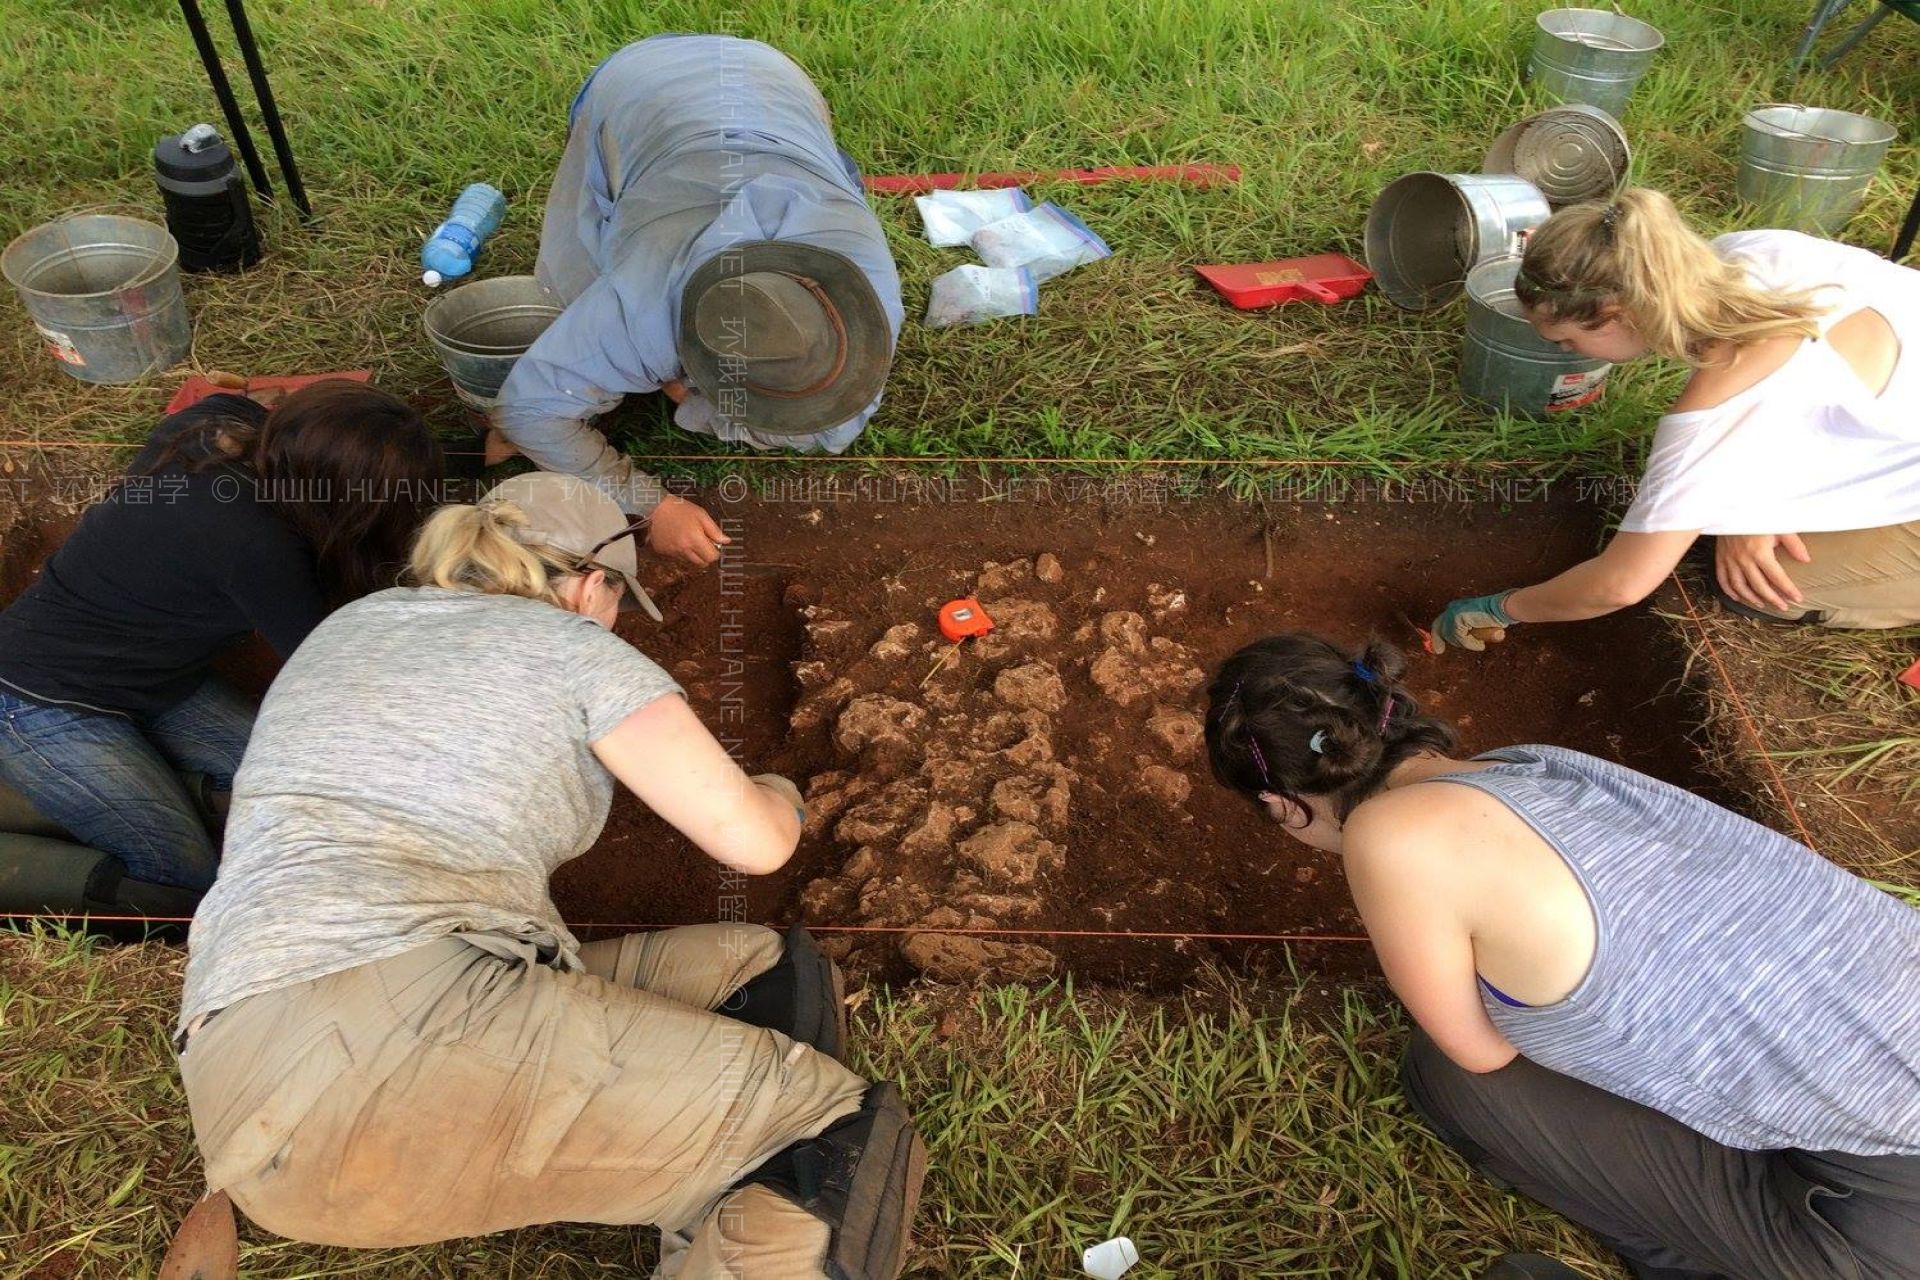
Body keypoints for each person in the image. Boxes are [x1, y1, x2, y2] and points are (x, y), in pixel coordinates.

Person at [172, 472, 924, 1279]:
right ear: (592, 585)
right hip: (387, 1069)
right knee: (834, 1136)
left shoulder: (351, 628)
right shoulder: (574, 647)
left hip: (241, 1057)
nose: (614, 623)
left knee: (770, 972)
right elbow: (756, 843)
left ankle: (706, 1188)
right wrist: (784, 794)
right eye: (616, 605)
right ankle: (757, 1165)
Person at [1205, 632, 1920, 1280]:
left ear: (1283, 804)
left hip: (1887, 1217)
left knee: (1451, 1078)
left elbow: (1478, 1052)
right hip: (1889, 1080)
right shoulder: (1541, 765)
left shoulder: (1389, 838)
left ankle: (1689, 1258)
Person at [0, 381, 441, 908]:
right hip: (39, 699)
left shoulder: (219, 424)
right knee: (181, 873)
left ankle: (146, 785)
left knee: (297, 784)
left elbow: (217, 403)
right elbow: (337, 671)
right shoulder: (260, 547)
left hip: (161, 678)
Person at [1432, 187, 1920, 651]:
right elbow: (1814, 403)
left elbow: (1619, 585)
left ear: (1616, 313)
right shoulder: (1743, 254)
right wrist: (1749, 509)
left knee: (1761, 584)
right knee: (1726, 526)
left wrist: (1500, 608)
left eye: (1565, 340)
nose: (1563, 354)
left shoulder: (1719, 411)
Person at [490, 34, 904, 569]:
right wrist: (652, 505)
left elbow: (838, 427)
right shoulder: (639, 308)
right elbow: (527, 411)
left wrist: (688, 396)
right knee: (588, 254)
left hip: (774, 83)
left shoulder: (867, 291)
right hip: (639, 88)